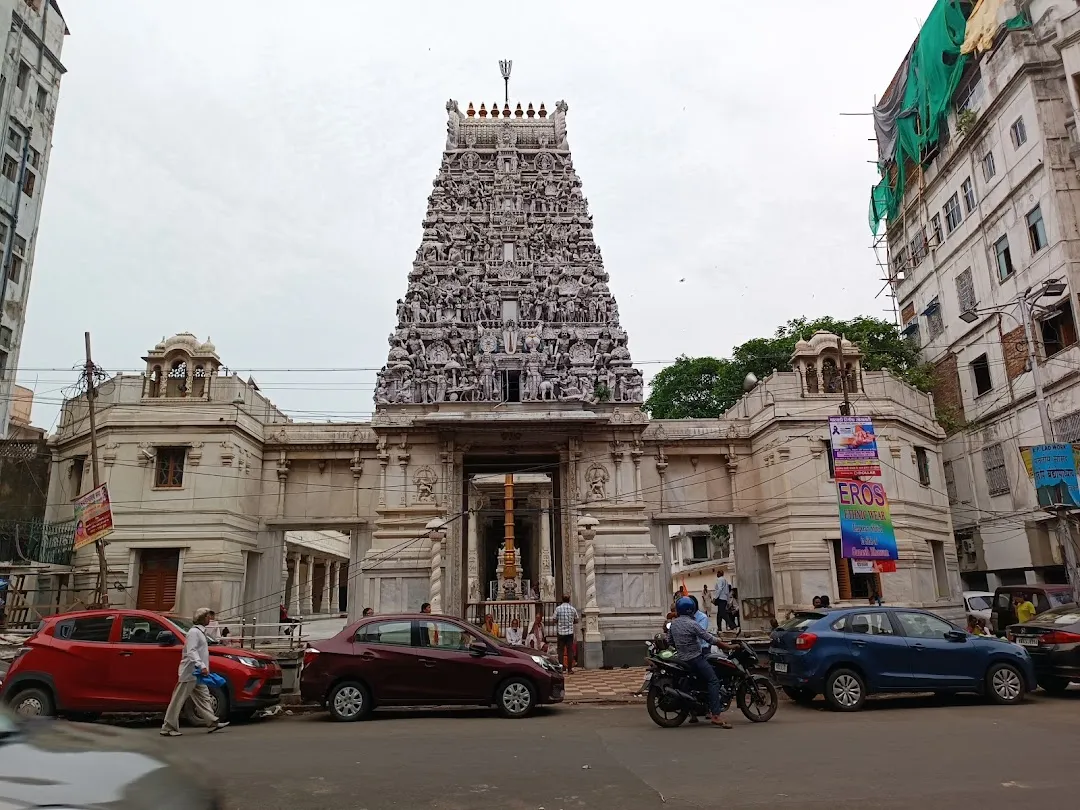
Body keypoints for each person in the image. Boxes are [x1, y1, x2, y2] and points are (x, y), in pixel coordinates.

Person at [161, 607, 229, 737]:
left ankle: (212, 721)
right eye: (208, 617)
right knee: (178, 699)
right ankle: (168, 727)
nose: (210, 619)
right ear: (203, 618)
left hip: (197, 673)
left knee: (204, 696)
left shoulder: (199, 632)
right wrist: (201, 665)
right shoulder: (194, 633)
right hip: (190, 671)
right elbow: (191, 651)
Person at [669, 596, 734, 728]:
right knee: (714, 680)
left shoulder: (674, 623)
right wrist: (728, 647)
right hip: (695, 659)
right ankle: (715, 715)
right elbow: (710, 639)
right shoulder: (693, 624)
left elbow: (670, 641)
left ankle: (697, 710)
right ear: (691, 609)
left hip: (681, 659)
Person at [554, 595, 580, 674]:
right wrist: (571, 622)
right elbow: (577, 620)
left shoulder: (558, 609)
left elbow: (554, 619)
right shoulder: (572, 609)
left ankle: (561, 668)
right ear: (569, 600)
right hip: (569, 633)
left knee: (560, 651)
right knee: (570, 651)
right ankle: (569, 669)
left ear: (562, 600)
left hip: (561, 633)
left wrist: (560, 622)